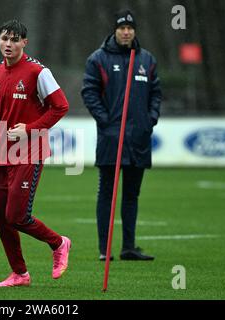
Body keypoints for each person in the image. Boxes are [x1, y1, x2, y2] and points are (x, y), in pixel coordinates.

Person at [0, 19, 71, 287]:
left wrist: (30, 129)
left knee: (16, 216)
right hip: (3, 152)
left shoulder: (38, 72)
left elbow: (60, 106)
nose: (8, 44)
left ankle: (58, 243)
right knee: (1, 218)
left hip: (29, 151)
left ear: (24, 42)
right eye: (4, 39)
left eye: (14, 39)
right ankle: (20, 274)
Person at [81, 10, 162, 261]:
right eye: (121, 28)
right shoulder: (99, 59)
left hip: (138, 138)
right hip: (111, 139)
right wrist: (106, 122)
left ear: (135, 31)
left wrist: (150, 120)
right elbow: (89, 93)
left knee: (131, 195)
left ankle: (128, 247)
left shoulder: (146, 60)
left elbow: (156, 92)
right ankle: (104, 250)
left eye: (130, 28)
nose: (126, 32)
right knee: (107, 192)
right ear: (114, 31)